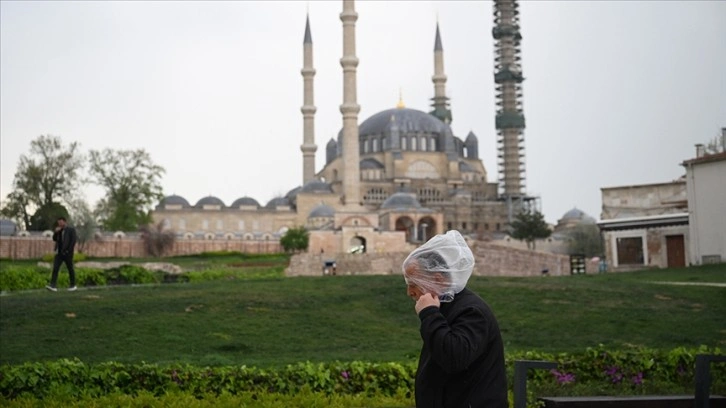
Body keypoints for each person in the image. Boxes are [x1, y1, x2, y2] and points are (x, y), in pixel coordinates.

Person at [402, 230, 507, 408]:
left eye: (414, 284)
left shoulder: (471, 311)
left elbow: (454, 358)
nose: (409, 292)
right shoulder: (447, 307)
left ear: (437, 279)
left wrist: (429, 314)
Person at [46, 216, 77, 292]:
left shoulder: (71, 230)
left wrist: (68, 250)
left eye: (60, 222)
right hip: (59, 253)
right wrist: (56, 232)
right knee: (55, 268)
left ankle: (72, 285)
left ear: (64, 222)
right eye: (58, 222)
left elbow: (73, 241)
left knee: (70, 269)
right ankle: (53, 285)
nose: (59, 224)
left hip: (67, 253)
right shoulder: (59, 231)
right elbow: (54, 239)